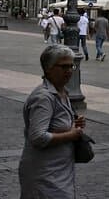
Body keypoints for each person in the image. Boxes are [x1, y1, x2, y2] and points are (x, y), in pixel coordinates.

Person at [18, 45, 87, 198]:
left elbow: (56, 125)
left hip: (59, 171)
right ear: (48, 68)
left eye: (71, 66)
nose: (69, 70)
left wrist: (74, 125)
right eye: (64, 66)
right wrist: (71, 135)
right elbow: (38, 137)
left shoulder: (61, 92)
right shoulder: (43, 97)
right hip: (44, 173)